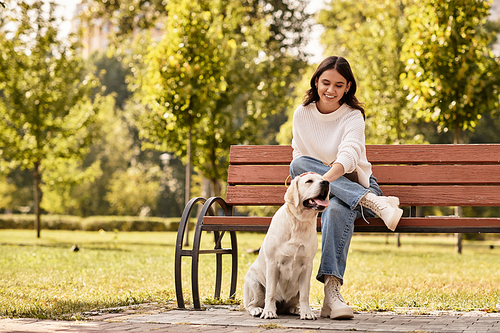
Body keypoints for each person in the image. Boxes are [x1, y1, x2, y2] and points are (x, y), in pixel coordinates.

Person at [289, 56, 403, 319]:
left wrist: (325, 182)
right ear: (316, 81)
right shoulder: (302, 114)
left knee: (335, 203)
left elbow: (349, 156)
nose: (331, 90)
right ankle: (372, 202)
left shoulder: (353, 116)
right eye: (326, 83)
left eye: (339, 85)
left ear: (348, 87)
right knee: (300, 166)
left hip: (353, 181)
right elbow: (301, 160)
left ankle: (332, 291)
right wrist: (322, 185)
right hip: (322, 187)